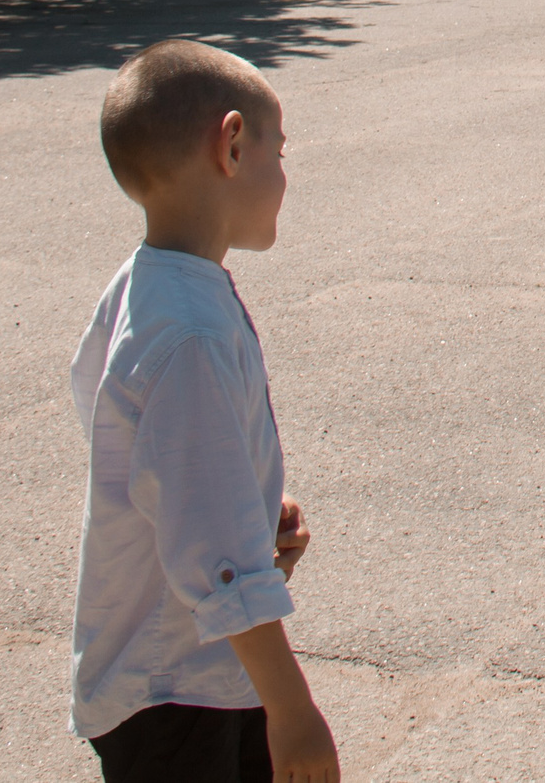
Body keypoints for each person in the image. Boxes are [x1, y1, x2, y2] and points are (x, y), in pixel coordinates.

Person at [70, 39, 341, 783]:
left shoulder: (151, 284)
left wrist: (245, 505)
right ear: (232, 145)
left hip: (194, 674)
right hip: (176, 693)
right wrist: (294, 711)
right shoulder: (190, 332)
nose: (284, 174)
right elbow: (212, 553)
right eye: (278, 152)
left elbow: (155, 461)